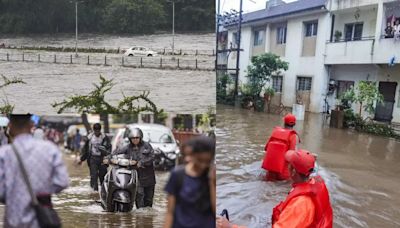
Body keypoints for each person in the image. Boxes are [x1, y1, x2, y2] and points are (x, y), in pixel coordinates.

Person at [217, 149, 333, 228]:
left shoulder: (300, 204)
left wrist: (231, 226)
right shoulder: (314, 181)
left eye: (289, 164)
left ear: (292, 170)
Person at [0, 114, 69, 227]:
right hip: (42, 220)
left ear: (9, 126)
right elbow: (62, 182)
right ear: (32, 125)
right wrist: (43, 191)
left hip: (13, 221)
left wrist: (15, 194)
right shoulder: (50, 149)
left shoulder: (4, 154)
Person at [164, 136, 216, 228]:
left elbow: (215, 211)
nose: (203, 165)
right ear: (193, 155)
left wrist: (212, 183)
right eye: (200, 160)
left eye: (207, 161)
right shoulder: (177, 175)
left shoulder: (212, 176)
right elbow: (169, 212)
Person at [112, 128, 156, 209]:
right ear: (130, 139)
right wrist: (109, 158)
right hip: (136, 176)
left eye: (137, 138)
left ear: (140, 138)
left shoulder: (147, 146)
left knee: (149, 200)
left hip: (149, 177)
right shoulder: (127, 147)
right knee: (139, 195)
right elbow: (116, 152)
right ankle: (140, 216)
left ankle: (148, 218)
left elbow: (152, 157)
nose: (135, 140)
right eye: (133, 138)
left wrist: (141, 162)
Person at [261, 113, 298, 181]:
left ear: (284, 122)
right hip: (283, 173)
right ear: (294, 124)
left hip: (270, 171)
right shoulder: (293, 136)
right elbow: (291, 156)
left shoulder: (275, 132)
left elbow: (266, 149)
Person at [78, 123, 111, 192]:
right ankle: (94, 192)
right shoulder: (89, 138)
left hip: (102, 159)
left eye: (98, 131)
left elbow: (109, 148)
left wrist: (108, 158)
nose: (97, 133)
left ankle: (104, 191)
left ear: (100, 130)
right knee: (94, 176)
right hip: (93, 158)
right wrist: (81, 159)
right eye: (96, 131)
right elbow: (86, 150)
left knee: (103, 175)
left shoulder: (104, 137)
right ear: (94, 130)